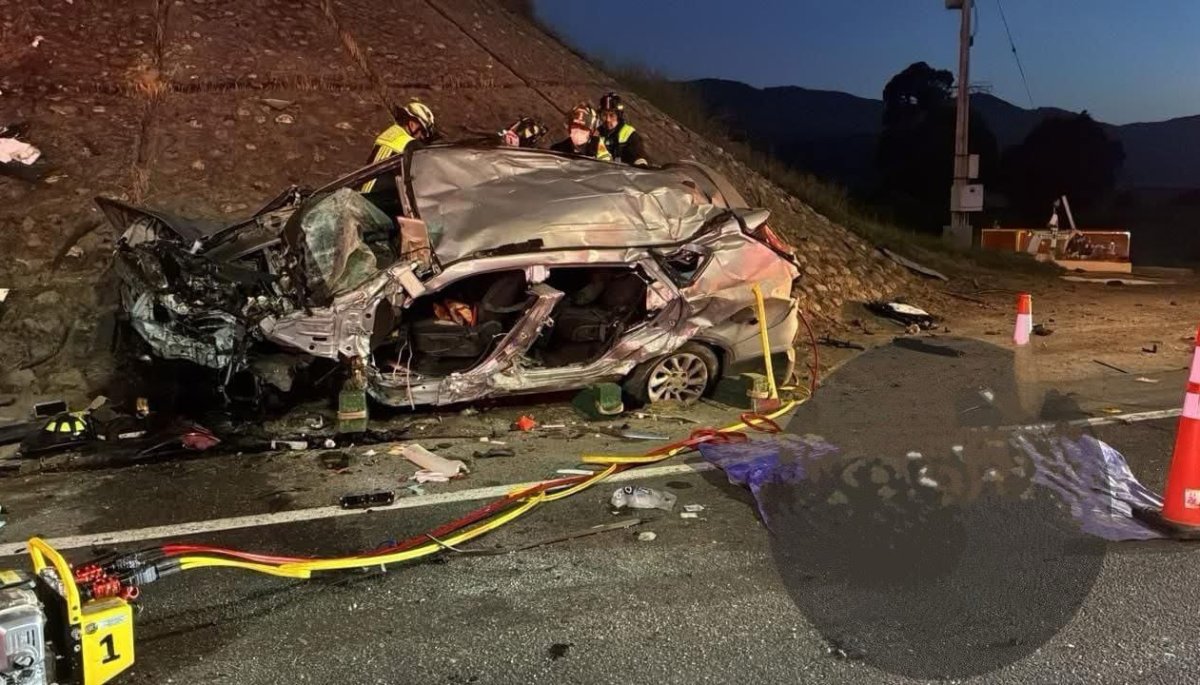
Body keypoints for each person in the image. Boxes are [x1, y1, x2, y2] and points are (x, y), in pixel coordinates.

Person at [361, 100, 436, 193]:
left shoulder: (391, 133)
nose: (421, 136)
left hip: (365, 193)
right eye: (422, 131)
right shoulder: (411, 144)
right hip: (377, 197)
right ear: (412, 125)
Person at [597, 92, 649, 167]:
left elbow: (639, 156)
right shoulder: (596, 133)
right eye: (604, 115)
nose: (608, 120)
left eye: (612, 115)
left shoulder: (630, 134)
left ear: (618, 116)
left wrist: (641, 165)